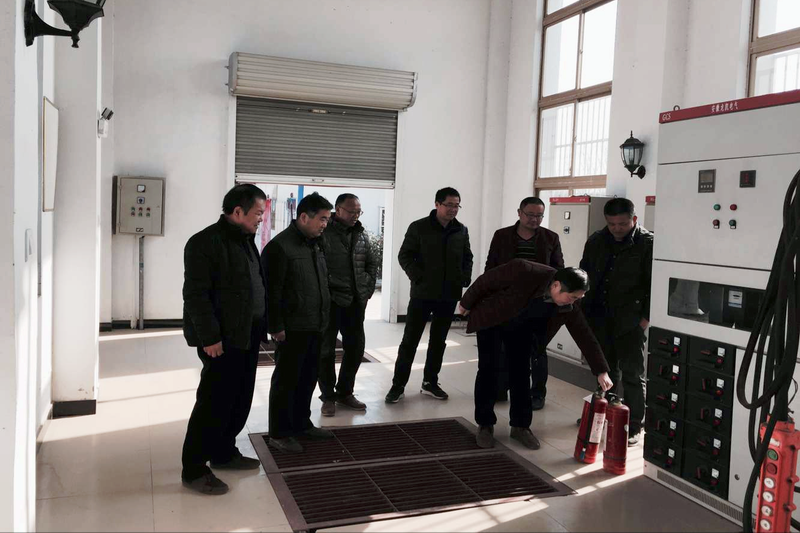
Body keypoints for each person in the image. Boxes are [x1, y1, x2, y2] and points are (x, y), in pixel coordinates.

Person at [458, 261, 612, 450]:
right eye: (572, 297)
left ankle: (520, 427)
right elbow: (487, 280)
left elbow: (584, 334)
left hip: (523, 330)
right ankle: (485, 425)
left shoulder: (568, 305)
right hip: (493, 320)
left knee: (521, 375)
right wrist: (465, 303)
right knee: (489, 371)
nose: (573, 302)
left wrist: (601, 370)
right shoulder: (525, 270)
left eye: (577, 298)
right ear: (556, 285)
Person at [181, 184, 268, 495]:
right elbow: (196, 296)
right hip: (222, 339)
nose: (261, 218)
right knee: (213, 402)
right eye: (258, 213)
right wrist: (210, 337)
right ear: (238, 211)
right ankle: (193, 469)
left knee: (239, 398)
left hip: (247, 334)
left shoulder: (246, 241)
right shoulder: (204, 243)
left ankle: (223, 451)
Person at [385, 187, 474, 403]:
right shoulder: (419, 227)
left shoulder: (461, 230)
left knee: (438, 341)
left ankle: (430, 382)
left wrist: (464, 278)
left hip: (448, 294)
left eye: (457, 205)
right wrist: (418, 277)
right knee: (410, 340)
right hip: (422, 294)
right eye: (449, 205)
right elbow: (405, 255)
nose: (453, 209)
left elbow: (467, 257)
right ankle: (398, 385)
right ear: (437, 204)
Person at [262, 192, 334, 453]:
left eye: (327, 219)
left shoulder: (315, 243)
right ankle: (279, 433)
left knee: (308, 378)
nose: (325, 224)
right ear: (304, 217)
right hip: (292, 327)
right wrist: (276, 326)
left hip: (316, 323)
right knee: (286, 381)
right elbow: (272, 291)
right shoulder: (280, 247)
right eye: (322, 219)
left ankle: (302, 423)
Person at [579, 197, 653, 446]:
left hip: (631, 320)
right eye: (612, 224)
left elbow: (655, 284)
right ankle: (604, 414)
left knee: (633, 374)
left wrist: (645, 319)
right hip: (600, 317)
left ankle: (633, 425)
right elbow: (585, 275)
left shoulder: (648, 244)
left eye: (622, 224)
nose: (617, 229)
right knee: (604, 370)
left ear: (634, 219)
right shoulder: (596, 241)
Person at [485, 197, 564, 410]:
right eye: (530, 215)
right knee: (504, 347)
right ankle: (502, 388)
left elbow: (558, 269)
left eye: (539, 215)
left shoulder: (550, 237)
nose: (534, 219)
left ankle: (537, 393)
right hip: (507, 301)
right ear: (519, 213)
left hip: (538, 302)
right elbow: (491, 267)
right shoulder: (502, 236)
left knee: (537, 350)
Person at [318, 193, 378, 416]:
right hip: (331, 301)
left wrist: (367, 289)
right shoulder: (324, 232)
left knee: (356, 348)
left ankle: (345, 392)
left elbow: (372, 263)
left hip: (356, 301)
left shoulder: (361, 234)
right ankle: (328, 396)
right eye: (351, 211)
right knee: (325, 350)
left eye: (358, 212)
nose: (355, 216)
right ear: (338, 209)